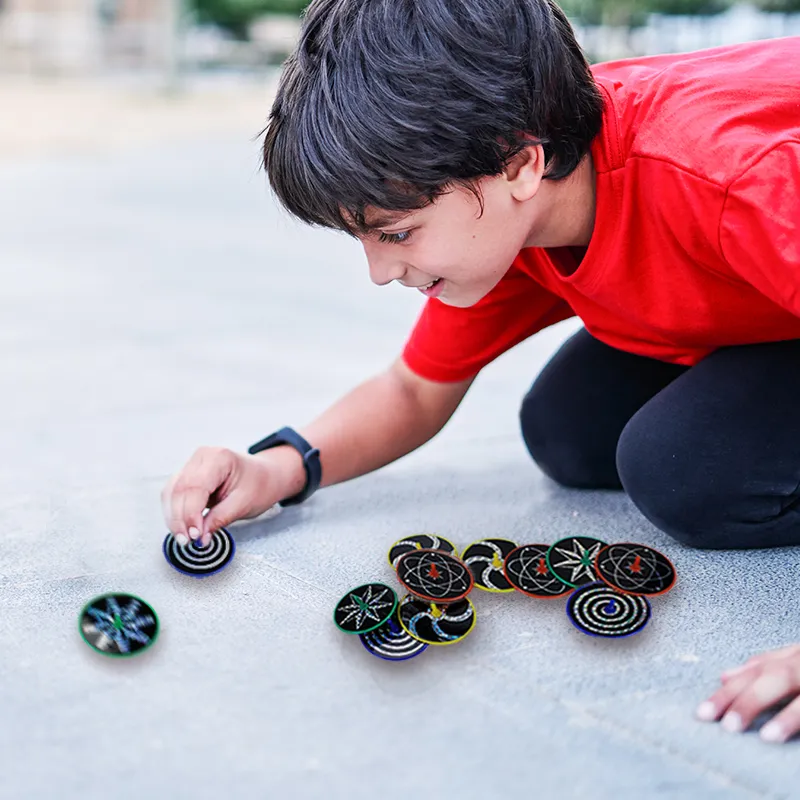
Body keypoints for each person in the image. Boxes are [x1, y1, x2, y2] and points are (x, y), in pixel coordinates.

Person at [161, 0, 800, 743]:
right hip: (758, 276)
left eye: (397, 233)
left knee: (686, 469)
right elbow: (414, 389)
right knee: (570, 429)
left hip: (762, 224)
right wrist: (277, 467)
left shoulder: (732, 177)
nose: (378, 272)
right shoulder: (516, 198)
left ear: (520, 164)